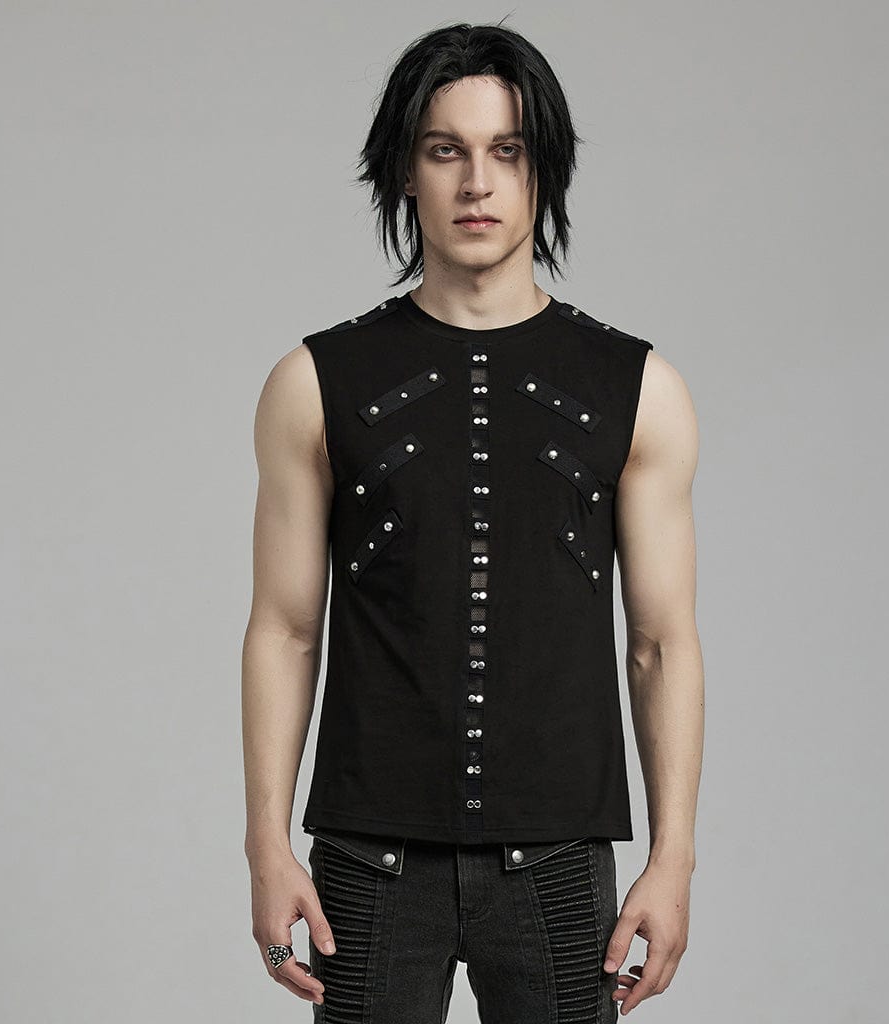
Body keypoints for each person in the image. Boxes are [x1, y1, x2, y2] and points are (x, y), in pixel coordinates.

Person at [242, 20, 703, 1023]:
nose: (478, 183)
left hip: (559, 860)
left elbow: (661, 642)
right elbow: (284, 627)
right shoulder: (314, 383)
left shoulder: (639, 389)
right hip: (367, 860)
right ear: (405, 172)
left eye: (509, 151)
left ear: (545, 171)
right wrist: (265, 844)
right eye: (446, 150)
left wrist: (673, 859)